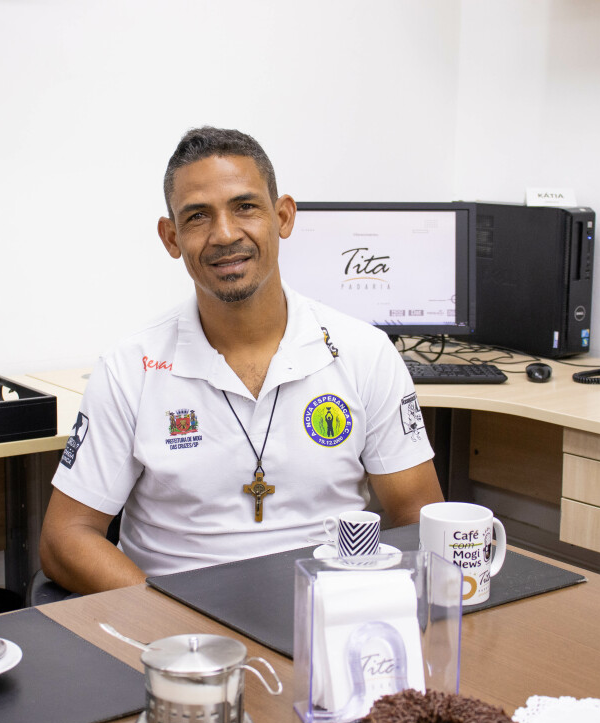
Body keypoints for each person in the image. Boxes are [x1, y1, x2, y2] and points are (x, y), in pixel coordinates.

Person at [40, 126, 443, 595]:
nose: (225, 234)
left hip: (326, 609)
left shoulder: (365, 352)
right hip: (179, 624)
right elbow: (65, 538)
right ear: (171, 238)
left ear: (283, 216)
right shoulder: (130, 368)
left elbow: (416, 515)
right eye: (197, 217)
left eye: (245, 207)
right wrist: (170, 617)